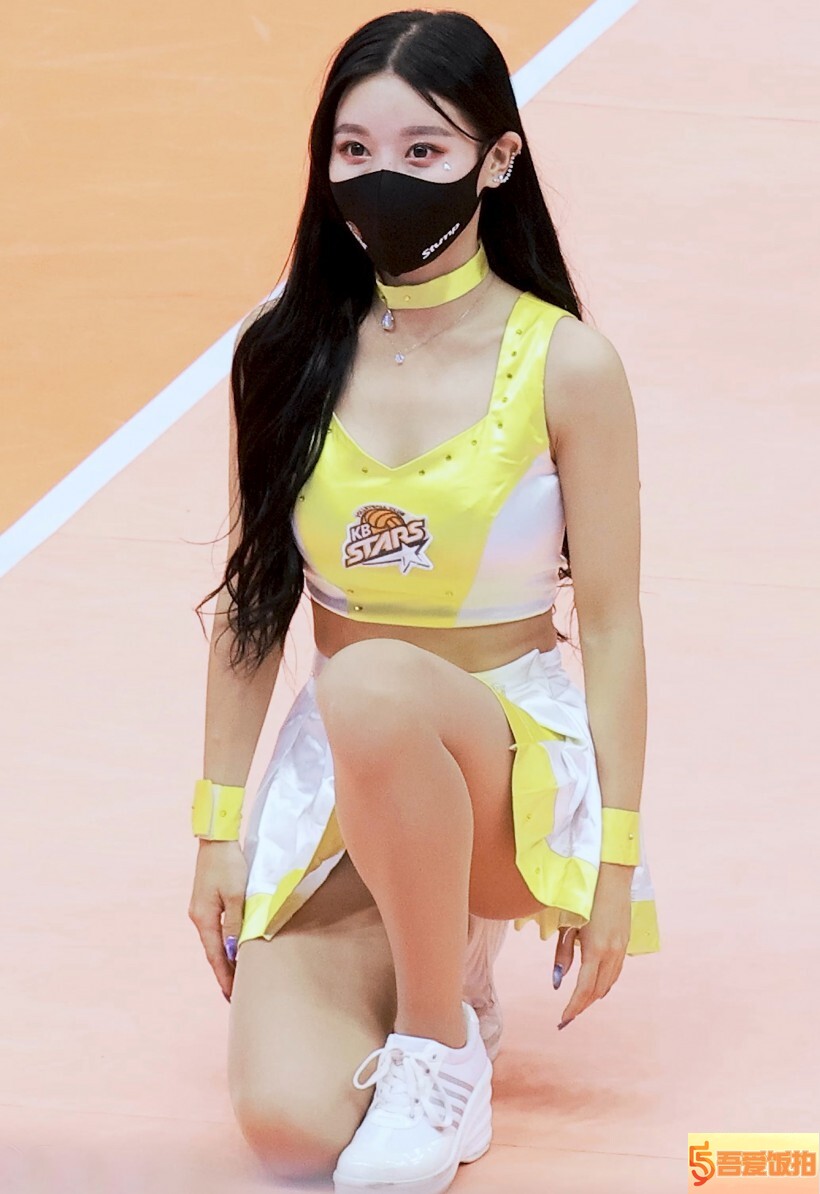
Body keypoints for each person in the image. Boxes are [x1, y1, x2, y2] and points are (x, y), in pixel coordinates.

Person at [188, 9, 660, 1192]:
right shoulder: (282, 354)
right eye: (353, 150)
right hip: (346, 765)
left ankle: (440, 1040)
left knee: (370, 680)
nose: (381, 177)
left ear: (496, 161)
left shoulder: (566, 364)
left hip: (508, 780)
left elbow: (611, 627)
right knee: (292, 1132)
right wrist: (217, 832)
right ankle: (436, 958)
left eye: (422, 150)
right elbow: (255, 607)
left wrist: (614, 865)